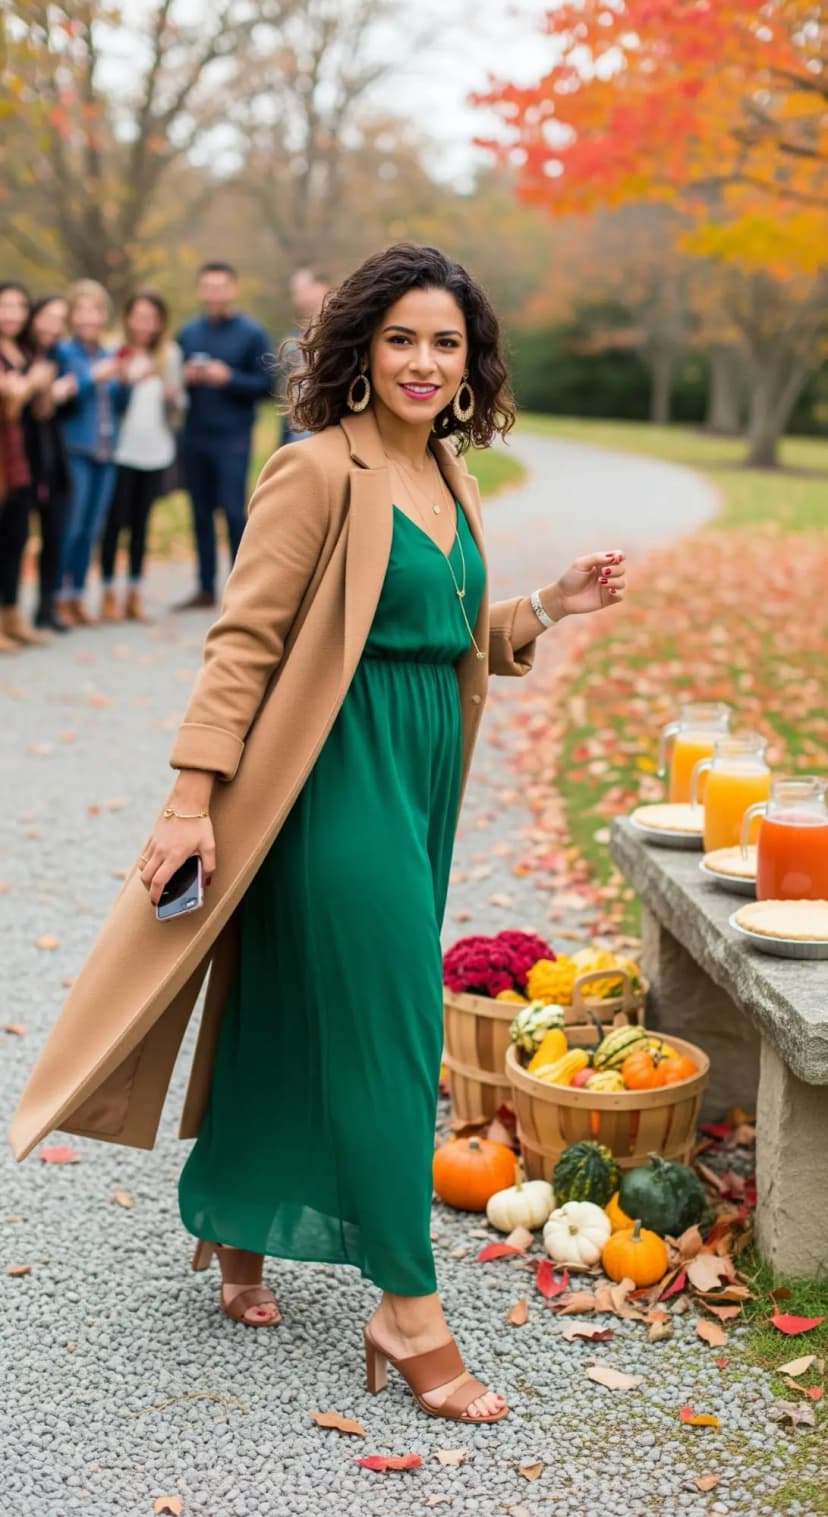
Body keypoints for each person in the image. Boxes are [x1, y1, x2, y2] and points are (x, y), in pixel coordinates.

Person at [10, 244, 627, 1425]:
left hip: (417, 775)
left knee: (297, 998)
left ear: (471, 362)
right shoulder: (314, 471)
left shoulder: (450, 471)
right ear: (358, 346)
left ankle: (238, 1217)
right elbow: (243, 643)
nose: (425, 361)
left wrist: (545, 608)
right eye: (402, 337)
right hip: (325, 779)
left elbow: (426, 632)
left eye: (447, 342)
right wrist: (191, 800)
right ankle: (408, 1307)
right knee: (400, 1025)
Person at [174, 261, 273, 610]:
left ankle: (239, 591)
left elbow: (267, 386)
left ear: (233, 289)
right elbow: (171, 382)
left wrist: (227, 377)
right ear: (200, 291)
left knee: (234, 513)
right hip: (194, 435)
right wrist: (184, 378)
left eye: (221, 287)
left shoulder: (252, 333)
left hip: (233, 437)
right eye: (208, 287)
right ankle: (204, 588)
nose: (214, 293)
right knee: (199, 512)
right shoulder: (187, 333)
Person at [99, 289, 185, 623]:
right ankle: (107, 593)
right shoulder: (115, 352)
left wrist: (172, 397)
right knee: (113, 524)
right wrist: (128, 379)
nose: (144, 324)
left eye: (151, 317)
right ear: (128, 317)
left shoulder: (171, 355)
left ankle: (134, 594)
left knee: (140, 525)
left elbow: (179, 410)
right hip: (120, 451)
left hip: (156, 450)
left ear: (161, 322)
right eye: (139, 316)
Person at [55, 280, 131, 626]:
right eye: (81, 310)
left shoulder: (108, 354)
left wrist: (126, 382)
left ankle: (77, 597)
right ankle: (57, 595)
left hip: (106, 451)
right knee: (71, 526)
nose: (89, 317)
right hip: (76, 449)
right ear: (72, 315)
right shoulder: (64, 353)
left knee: (92, 529)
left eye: (95, 310)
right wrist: (91, 377)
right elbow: (65, 399)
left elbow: (119, 405)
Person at [0, 281, 60, 650]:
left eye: (19, 307)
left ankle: (11, 615)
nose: (13, 314)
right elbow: (7, 406)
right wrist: (28, 385)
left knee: (17, 538)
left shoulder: (26, 350)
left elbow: (41, 407)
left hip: (27, 456)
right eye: (5, 306)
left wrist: (31, 387)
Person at [21, 294, 77, 633]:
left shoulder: (60, 356)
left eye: (59, 319)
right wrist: (41, 391)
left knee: (56, 531)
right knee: (15, 536)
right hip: (24, 457)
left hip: (54, 455)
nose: (52, 326)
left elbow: (67, 410)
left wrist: (61, 395)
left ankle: (46, 605)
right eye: (47, 317)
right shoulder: (23, 356)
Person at [279, 268, 332, 445]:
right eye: (295, 293)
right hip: (298, 435)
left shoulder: (342, 335)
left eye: (302, 290)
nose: (297, 298)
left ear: (321, 287)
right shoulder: (291, 340)